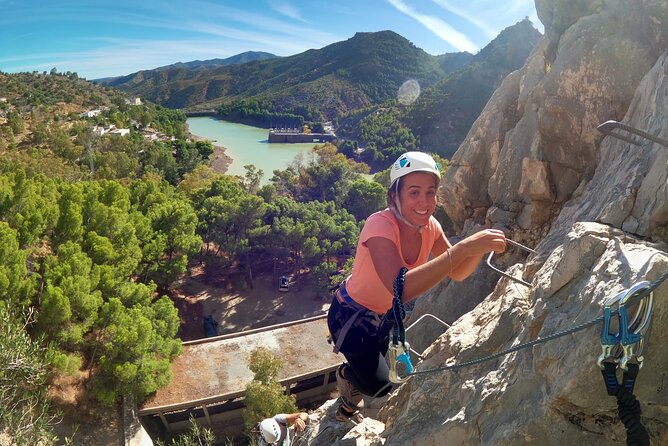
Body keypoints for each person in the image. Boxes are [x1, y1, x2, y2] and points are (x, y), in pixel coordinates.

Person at [327, 151, 507, 422]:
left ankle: (353, 387)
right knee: (381, 385)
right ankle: (347, 376)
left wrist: (478, 249)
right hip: (352, 318)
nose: (424, 202)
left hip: (385, 316)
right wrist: (465, 247)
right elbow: (401, 289)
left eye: (431, 192)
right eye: (414, 192)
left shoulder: (430, 227)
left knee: (378, 371)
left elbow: (457, 272)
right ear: (394, 196)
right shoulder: (379, 226)